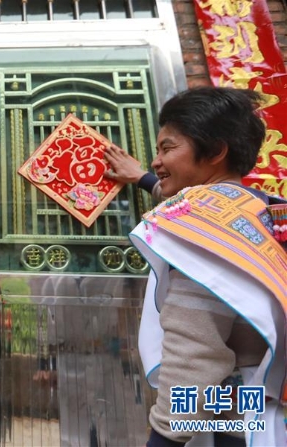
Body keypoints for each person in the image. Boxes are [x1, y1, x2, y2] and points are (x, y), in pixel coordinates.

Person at [106, 87, 286, 446]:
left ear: (217, 150)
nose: (157, 161)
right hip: (262, 398)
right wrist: (142, 177)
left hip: (235, 417)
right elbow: (175, 195)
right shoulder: (261, 208)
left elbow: (196, 354)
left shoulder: (204, 228)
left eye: (168, 148)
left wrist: (164, 438)